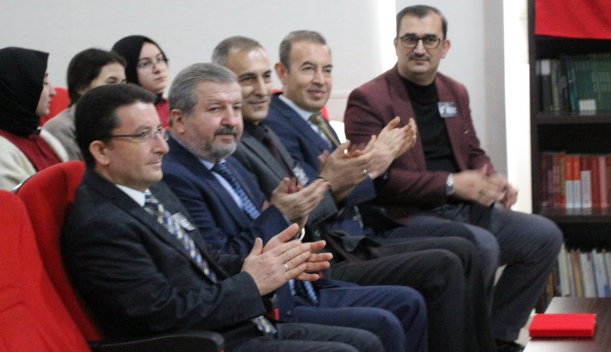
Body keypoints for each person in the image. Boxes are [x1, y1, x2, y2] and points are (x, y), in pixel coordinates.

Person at [217, 36, 496, 352]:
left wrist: (360, 169)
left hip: (347, 238)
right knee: (447, 261)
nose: (260, 89)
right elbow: (305, 206)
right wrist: (363, 170)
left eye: (326, 70)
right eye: (308, 69)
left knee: (463, 250)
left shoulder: (271, 129)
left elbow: (317, 192)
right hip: (327, 252)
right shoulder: (256, 133)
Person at [61, 82, 385, 352]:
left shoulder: (150, 188)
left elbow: (205, 259)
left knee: (367, 340)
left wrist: (270, 262)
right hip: (204, 342)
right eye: (144, 135)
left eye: (159, 131)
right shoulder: (101, 225)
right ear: (101, 151)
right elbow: (162, 315)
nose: (162, 147)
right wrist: (251, 283)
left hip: (237, 326)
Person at [161, 62, 428, 352]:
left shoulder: (228, 162)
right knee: (379, 327)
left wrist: (295, 222)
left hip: (299, 283)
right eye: (216, 109)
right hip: (263, 308)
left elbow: (271, 224)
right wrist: (284, 213)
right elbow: (219, 261)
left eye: (236, 108)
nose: (231, 120)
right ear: (179, 120)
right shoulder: (175, 176)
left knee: (407, 303)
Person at [343, 4, 564, 352]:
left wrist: (490, 177)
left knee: (543, 236)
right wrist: (450, 184)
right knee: (481, 246)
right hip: (401, 218)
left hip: (462, 210)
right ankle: (468, 344)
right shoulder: (369, 99)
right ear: (396, 44)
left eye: (430, 40)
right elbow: (374, 182)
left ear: (444, 47)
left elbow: (472, 151)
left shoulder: (454, 91)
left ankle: (496, 337)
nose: (420, 48)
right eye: (410, 39)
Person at [0, 47, 67, 190]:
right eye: (44, 82)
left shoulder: (40, 135)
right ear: (18, 86)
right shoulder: (2, 151)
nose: (53, 92)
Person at [43, 48, 127, 160]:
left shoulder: (124, 122)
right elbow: (76, 171)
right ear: (81, 87)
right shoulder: (60, 128)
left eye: (123, 83)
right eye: (111, 82)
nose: (121, 90)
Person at [112, 35, 170, 127]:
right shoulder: (122, 117)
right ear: (128, 71)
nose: (158, 69)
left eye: (159, 59)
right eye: (144, 64)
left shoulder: (176, 107)